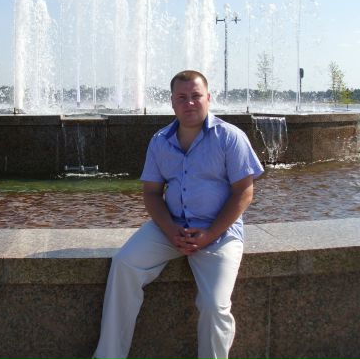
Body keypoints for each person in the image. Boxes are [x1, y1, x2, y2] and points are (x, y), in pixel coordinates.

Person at [93, 70, 264, 359]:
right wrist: (170, 230)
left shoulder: (230, 137)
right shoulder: (160, 141)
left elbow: (244, 192)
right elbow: (151, 193)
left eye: (196, 96)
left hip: (219, 232)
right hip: (169, 227)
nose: (190, 103)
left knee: (214, 306)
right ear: (172, 102)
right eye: (182, 97)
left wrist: (209, 234)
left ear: (208, 98)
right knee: (124, 265)